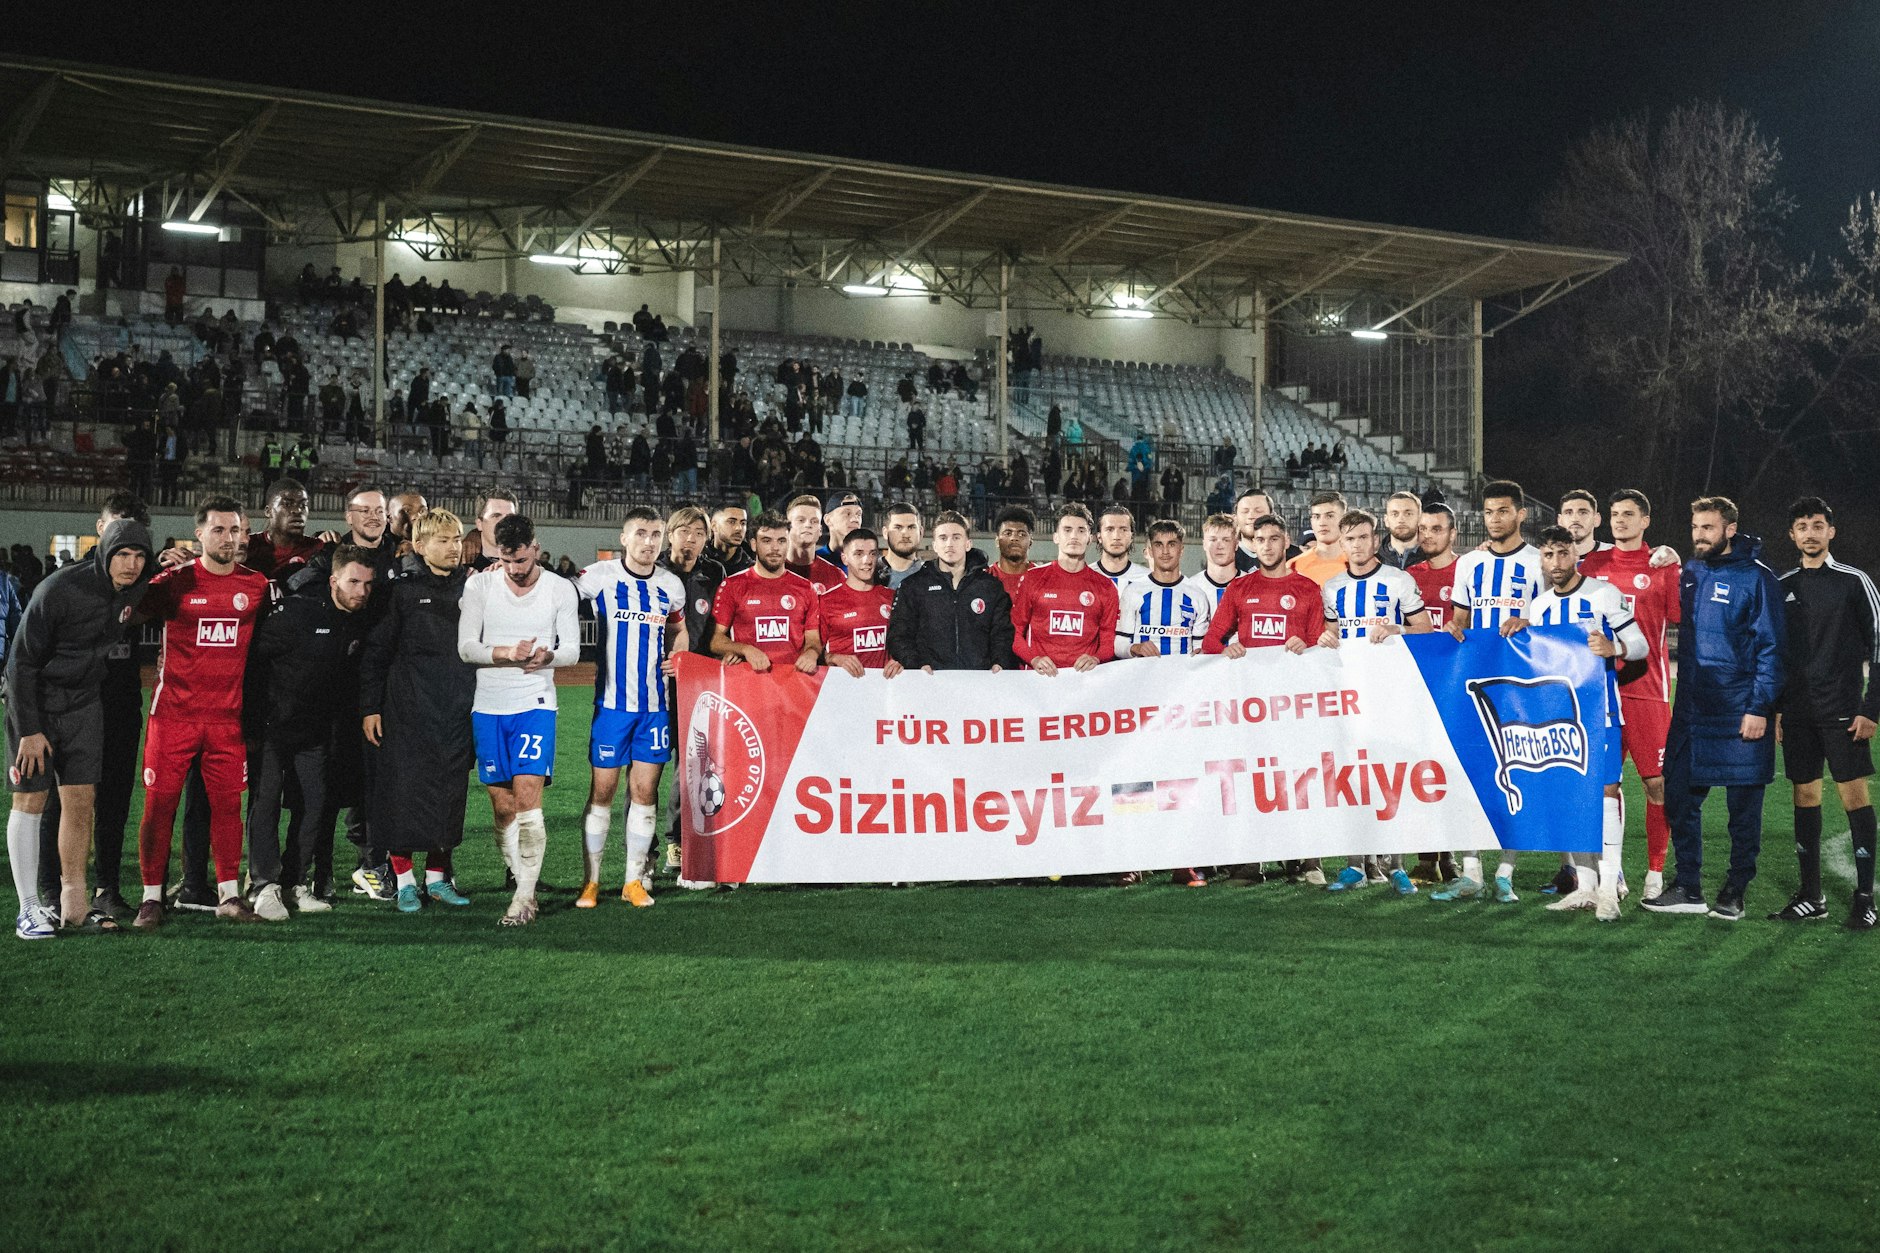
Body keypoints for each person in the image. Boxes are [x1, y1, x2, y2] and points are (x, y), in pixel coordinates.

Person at [1637, 497, 1786, 920]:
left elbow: (1772, 649)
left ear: (1730, 530)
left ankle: (1736, 889)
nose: (1699, 535)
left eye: (1708, 528)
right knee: (1679, 796)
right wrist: (1667, 559)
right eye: (1695, 527)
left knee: (1743, 811)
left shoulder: (1758, 579)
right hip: (1693, 710)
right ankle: (1688, 886)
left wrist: (1760, 707)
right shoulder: (1693, 571)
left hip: (1740, 710)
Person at [5, 516, 153, 937]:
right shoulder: (58, 589)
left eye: (140, 555)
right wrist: (30, 728)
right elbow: (20, 663)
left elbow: (162, 574)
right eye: (122, 554)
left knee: (81, 803)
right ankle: (29, 908)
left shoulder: (134, 586)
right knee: (30, 802)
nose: (132, 564)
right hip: (36, 706)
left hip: (86, 705)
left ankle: (74, 903)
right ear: (105, 553)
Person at [133, 496, 271, 928]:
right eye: (219, 530)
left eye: (235, 530)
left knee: (228, 807)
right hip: (172, 715)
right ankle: (151, 898)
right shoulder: (172, 583)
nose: (228, 538)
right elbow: (126, 608)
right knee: (160, 806)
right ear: (199, 534)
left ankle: (230, 895)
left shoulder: (256, 586)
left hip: (227, 720)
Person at [1502, 526, 1648, 921]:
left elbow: (1642, 645)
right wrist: (1520, 629)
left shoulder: (1602, 594)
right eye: (1548, 556)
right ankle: (1584, 886)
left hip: (1600, 713)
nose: (1555, 563)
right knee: (1571, 794)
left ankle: (1609, 888)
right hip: (1558, 716)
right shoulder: (1540, 606)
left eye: (1563, 554)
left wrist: (1614, 647)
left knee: (1604, 794)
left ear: (1576, 555)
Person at [458, 513, 582, 926]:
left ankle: (524, 898)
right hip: (489, 706)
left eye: (522, 562)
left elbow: (572, 652)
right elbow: (465, 648)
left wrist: (548, 656)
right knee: (502, 807)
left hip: (536, 703)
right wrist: (508, 653)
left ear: (536, 548)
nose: (514, 571)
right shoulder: (479, 584)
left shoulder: (560, 589)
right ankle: (521, 883)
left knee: (528, 800)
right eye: (507, 562)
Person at [244, 546, 377, 920]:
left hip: (315, 730)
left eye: (368, 584)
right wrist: (252, 723)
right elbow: (254, 663)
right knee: (266, 803)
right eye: (353, 582)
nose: (361, 591)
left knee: (315, 805)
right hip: (272, 728)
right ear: (334, 581)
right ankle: (263, 886)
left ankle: (295, 882)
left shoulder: (358, 620)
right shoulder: (297, 612)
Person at [1767, 497, 1879, 927]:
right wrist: (1778, 709)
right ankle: (1811, 896)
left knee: (1853, 796)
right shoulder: (1783, 585)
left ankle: (1865, 898)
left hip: (1844, 711)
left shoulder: (1855, 582)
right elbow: (1778, 653)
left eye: (1818, 525)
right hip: (1797, 713)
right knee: (1804, 795)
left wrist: (1872, 709)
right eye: (1802, 526)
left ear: (1831, 531)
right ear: (1792, 535)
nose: (1810, 533)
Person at [359, 508, 476, 912]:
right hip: (406, 706)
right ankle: (405, 881)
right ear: (421, 546)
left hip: (459, 707)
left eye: (457, 539)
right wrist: (371, 707)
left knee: (450, 792)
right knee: (403, 794)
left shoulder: (475, 587)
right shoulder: (401, 590)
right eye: (442, 541)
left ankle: (439, 879)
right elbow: (377, 651)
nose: (452, 548)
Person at [575, 508, 687, 908]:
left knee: (645, 793)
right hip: (612, 707)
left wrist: (680, 654)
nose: (650, 542)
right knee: (602, 793)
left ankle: (633, 880)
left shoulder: (671, 586)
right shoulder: (600, 577)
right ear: (624, 538)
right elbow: (559, 596)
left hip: (654, 708)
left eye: (656, 534)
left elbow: (678, 629)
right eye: (641, 533)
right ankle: (591, 881)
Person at [1318, 509, 1431, 896]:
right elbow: (1330, 636)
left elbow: (1425, 630)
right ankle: (1354, 864)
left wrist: (1397, 628)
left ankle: (1396, 865)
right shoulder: (1332, 587)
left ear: (1375, 538)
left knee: (1391, 776)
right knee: (1351, 777)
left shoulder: (1398, 580)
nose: (1357, 545)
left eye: (1364, 537)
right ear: (1341, 542)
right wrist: (1325, 638)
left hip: (1392, 692)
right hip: (1349, 695)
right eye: (1350, 539)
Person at [1579, 489, 1681, 898]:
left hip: (1647, 692)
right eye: (1615, 514)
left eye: (1629, 514)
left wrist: (1676, 558)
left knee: (1656, 783)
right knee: (1606, 787)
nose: (1620, 520)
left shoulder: (1662, 566)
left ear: (1645, 521)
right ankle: (1612, 872)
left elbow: (1679, 615)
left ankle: (1655, 871)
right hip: (1600, 692)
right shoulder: (1592, 565)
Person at [887, 511, 1014, 673]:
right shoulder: (913, 586)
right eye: (943, 538)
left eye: (956, 537)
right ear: (934, 545)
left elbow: (1002, 633)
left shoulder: (990, 587)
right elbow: (899, 635)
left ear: (968, 544)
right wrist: (916, 664)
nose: (949, 544)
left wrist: (1000, 662)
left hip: (979, 683)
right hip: (931, 683)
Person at [1011, 503, 1119, 676]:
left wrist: (1096, 658)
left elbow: (1108, 642)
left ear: (1090, 538)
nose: (1074, 536)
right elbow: (1014, 632)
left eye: (1081, 530)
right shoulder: (1032, 579)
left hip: (1083, 683)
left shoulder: (1105, 587)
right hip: (1038, 682)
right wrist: (1034, 659)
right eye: (1067, 530)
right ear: (1056, 537)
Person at [710, 513, 821, 674]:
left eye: (781, 541)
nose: (775, 548)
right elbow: (715, 640)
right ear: (754, 544)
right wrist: (744, 649)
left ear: (788, 543)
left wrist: (812, 654)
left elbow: (813, 639)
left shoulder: (806, 588)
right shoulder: (732, 585)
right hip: (749, 682)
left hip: (793, 683)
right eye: (767, 541)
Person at [1446, 480, 1542, 640]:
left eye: (1502, 512)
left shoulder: (1539, 562)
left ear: (1521, 514)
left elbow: (1550, 619)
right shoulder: (1468, 562)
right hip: (1481, 658)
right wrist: (1453, 628)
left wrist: (1527, 623)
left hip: (1521, 659)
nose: (1494, 519)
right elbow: (1461, 621)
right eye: (1489, 512)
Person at [819, 530, 899, 676]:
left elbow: (908, 641)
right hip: (845, 689)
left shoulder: (892, 597)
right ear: (845, 558)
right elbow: (812, 650)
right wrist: (833, 658)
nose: (867, 560)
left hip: (885, 688)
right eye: (858, 554)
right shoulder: (827, 601)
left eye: (873, 553)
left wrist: (901, 660)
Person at [245, 478, 324, 583]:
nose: (298, 510)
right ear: (268, 511)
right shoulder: (248, 547)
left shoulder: (318, 549)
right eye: (287, 504)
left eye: (303, 505)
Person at [783, 494, 845, 593]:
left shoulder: (837, 577)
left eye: (814, 521)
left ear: (820, 530)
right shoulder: (770, 572)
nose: (808, 525)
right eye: (801, 520)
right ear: (787, 527)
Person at [1288, 490, 1349, 586]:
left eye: (1329, 516)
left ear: (1344, 520)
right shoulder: (1294, 566)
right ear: (1311, 521)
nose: (1322, 523)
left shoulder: (1363, 564)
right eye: (1316, 517)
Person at [1231, 488, 1298, 573]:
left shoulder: (1294, 557)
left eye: (1258, 511)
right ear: (1235, 517)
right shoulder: (1225, 555)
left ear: (1271, 515)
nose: (1251, 516)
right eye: (1245, 511)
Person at [1183, 513, 1240, 611]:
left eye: (1226, 540)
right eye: (1213, 540)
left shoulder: (1251, 585)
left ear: (1236, 545)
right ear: (1204, 544)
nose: (1219, 546)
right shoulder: (1191, 586)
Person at [1091, 505, 1149, 588]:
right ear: (1099, 537)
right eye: (1110, 529)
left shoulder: (1146, 578)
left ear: (1132, 537)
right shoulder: (1084, 578)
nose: (1116, 537)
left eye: (1123, 530)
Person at [468, 488, 520, 571]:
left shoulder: (532, 570)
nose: (504, 523)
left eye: (510, 517)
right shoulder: (463, 571)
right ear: (479, 524)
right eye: (496, 516)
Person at [991, 505, 1037, 599]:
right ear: (997, 541)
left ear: (1031, 541)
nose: (1014, 538)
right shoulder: (984, 578)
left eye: (1021, 534)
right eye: (1008, 533)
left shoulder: (1042, 578)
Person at [878, 502, 926, 589]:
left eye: (911, 527)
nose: (905, 534)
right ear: (885, 533)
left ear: (921, 532)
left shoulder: (931, 576)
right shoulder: (870, 574)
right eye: (898, 527)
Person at [1379, 491, 1427, 568]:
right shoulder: (1373, 562)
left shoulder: (1433, 561)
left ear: (1420, 519)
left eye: (1408, 514)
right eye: (1395, 514)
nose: (1401, 520)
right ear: (1386, 520)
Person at [818, 491, 864, 567]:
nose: (855, 519)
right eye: (847, 513)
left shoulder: (868, 563)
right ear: (828, 520)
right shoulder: (814, 561)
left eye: (858, 514)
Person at [709, 502, 752, 575]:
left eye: (743, 523)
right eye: (732, 522)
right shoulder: (696, 561)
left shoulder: (750, 570)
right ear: (714, 526)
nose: (739, 528)